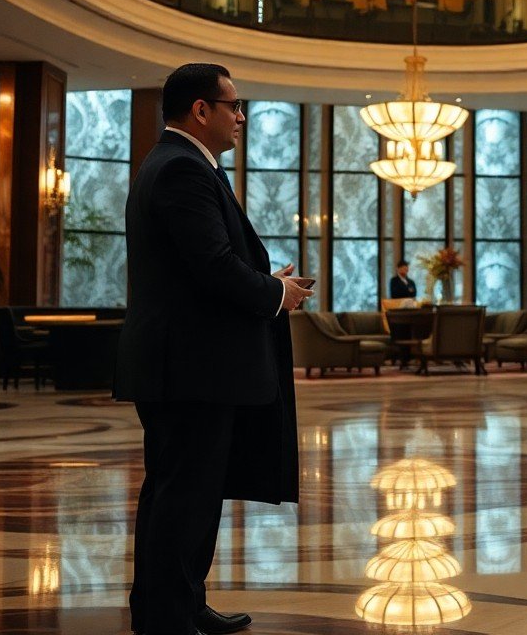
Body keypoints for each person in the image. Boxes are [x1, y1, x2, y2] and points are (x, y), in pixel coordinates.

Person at [114, 63, 314, 635]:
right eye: (234, 105)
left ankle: (178, 604)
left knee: (184, 493)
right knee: (184, 496)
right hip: (190, 369)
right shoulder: (182, 169)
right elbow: (213, 267)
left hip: (190, 365)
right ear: (201, 110)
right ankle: (167, 618)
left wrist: (264, 282)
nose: (242, 117)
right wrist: (275, 293)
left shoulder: (179, 164)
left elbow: (199, 267)